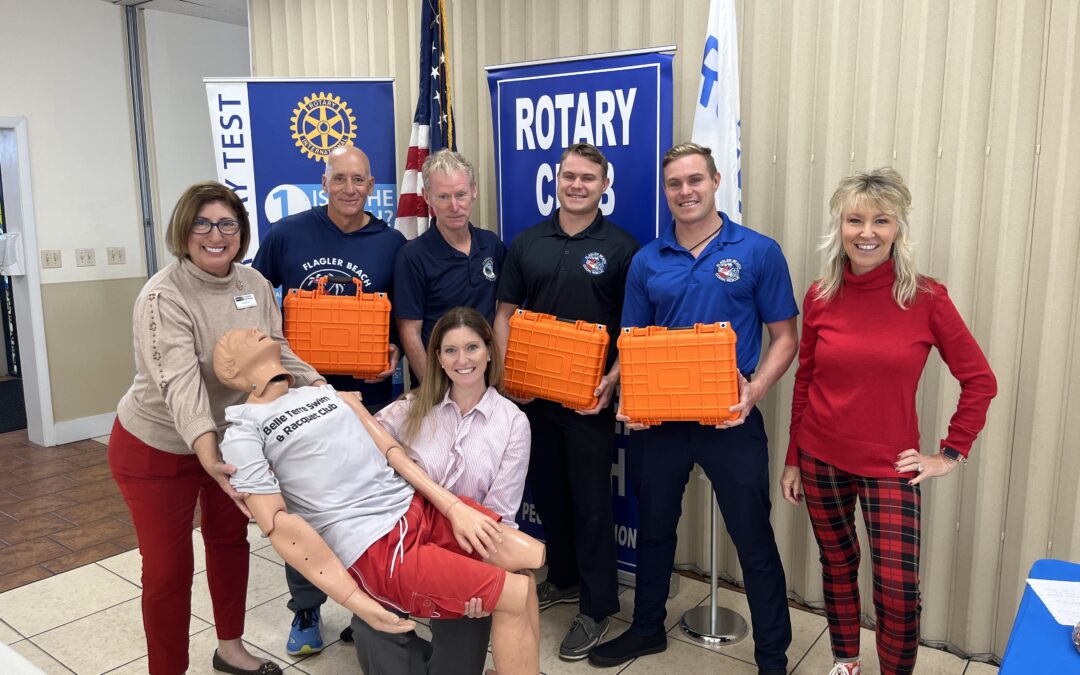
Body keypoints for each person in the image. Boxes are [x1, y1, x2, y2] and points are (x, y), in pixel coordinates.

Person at [212, 327, 544, 675]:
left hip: (414, 506)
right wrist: (354, 600)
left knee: (528, 557)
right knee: (516, 594)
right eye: (238, 339)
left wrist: (451, 507)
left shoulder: (322, 393)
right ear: (233, 372)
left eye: (473, 347)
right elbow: (281, 526)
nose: (253, 330)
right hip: (377, 545)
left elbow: (392, 452)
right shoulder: (243, 431)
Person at [590, 143, 797, 675]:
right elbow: (631, 341)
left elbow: (785, 338)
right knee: (655, 528)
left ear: (715, 181)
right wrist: (626, 394)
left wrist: (754, 393)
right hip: (660, 422)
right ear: (666, 191)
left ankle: (773, 655)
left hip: (731, 417)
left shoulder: (757, 251)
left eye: (694, 181)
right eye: (675, 184)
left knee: (753, 538)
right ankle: (646, 629)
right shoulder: (647, 260)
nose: (685, 192)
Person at [780, 169, 997, 675]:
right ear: (841, 224)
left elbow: (980, 380)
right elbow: (805, 381)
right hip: (819, 457)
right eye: (855, 219)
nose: (867, 232)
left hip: (890, 465)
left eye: (881, 220)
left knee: (898, 592)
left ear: (898, 228)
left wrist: (949, 453)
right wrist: (793, 457)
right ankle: (846, 662)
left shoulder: (926, 299)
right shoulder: (819, 296)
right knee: (837, 566)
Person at [108, 181, 324, 675]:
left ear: (241, 232)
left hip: (231, 443)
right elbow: (180, 385)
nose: (215, 234)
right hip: (156, 448)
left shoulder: (253, 284)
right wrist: (208, 455)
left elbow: (277, 351)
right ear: (183, 231)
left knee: (229, 545)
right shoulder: (164, 296)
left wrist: (324, 391)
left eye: (227, 224)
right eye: (202, 223)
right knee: (167, 570)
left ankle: (230, 648)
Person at [252, 144, 404, 654]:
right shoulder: (287, 233)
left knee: (366, 504)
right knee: (304, 508)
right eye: (339, 178)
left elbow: (404, 318)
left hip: (370, 396)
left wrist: (397, 353)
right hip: (301, 400)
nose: (348, 188)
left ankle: (365, 605)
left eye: (358, 179)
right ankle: (306, 611)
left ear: (371, 185)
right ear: (324, 181)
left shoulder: (392, 243)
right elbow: (253, 301)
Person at [493, 143, 640, 661]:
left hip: (587, 402)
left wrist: (613, 382)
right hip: (533, 397)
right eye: (569, 176)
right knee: (549, 494)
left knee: (592, 504)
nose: (577, 185)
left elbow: (633, 328)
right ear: (557, 180)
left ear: (604, 185)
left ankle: (598, 607)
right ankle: (566, 578)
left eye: (588, 179)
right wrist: (509, 374)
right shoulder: (528, 242)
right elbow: (506, 312)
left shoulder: (622, 247)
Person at [348, 306, 530, 674]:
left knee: (459, 664)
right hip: (402, 550)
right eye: (450, 350)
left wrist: (482, 576)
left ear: (490, 351)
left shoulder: (513, 423)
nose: (462, 360)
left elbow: (502, 514)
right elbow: (354, 437)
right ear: (438, 359)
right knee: (373, 632)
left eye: (472, 347)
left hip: (465, 556)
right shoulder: (410, 409)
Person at [394, 151, 505, 382]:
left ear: (474, 191)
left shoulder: (491, 245)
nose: (454, 206)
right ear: (427, 196)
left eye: (461, 194)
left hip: (486, 382)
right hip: (438, 383)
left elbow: (506, 313)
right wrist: (432, 393)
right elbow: (410, 332)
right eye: (443, 197)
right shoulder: (412, 257)